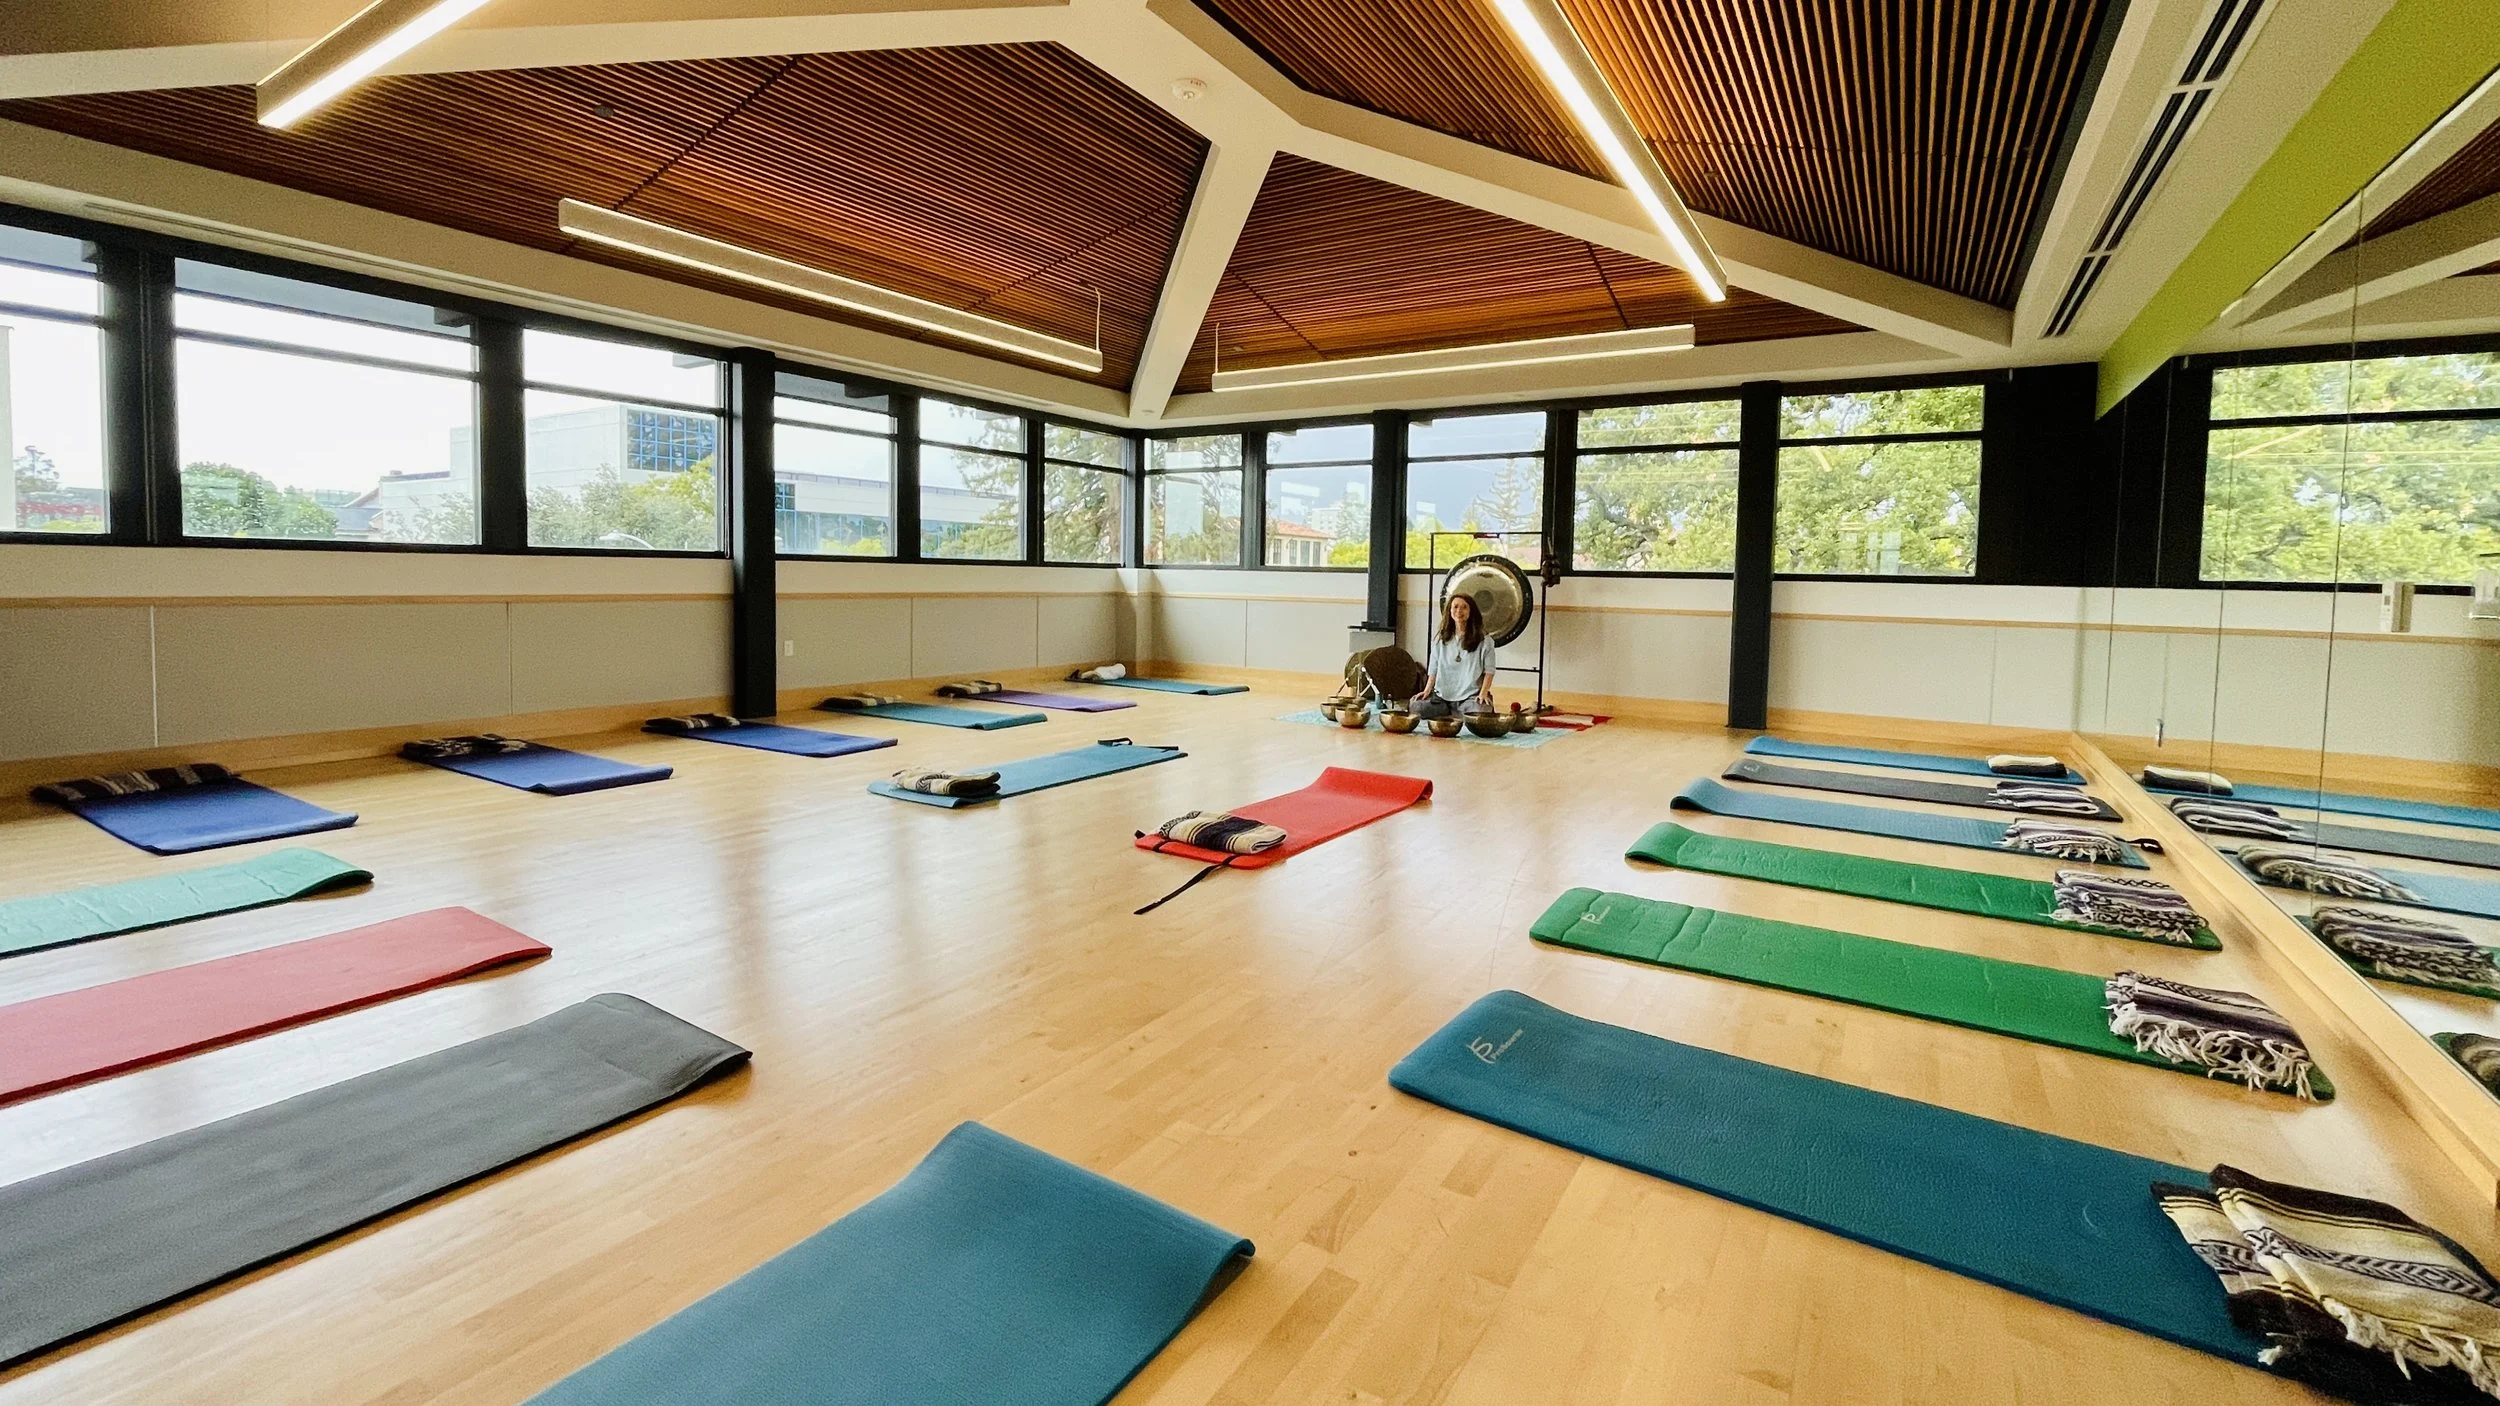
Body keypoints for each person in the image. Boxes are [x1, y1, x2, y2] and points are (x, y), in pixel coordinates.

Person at [1414, 592, 1497, 719]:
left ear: (1471, 611)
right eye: (1456, 607)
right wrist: (1427, 691)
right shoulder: (1440, 639)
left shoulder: (1484, 641)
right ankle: (1452, 712)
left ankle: (1454, 713)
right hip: (1441, 698)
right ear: (1450, 611)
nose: (1459, 611)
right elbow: (1433, 668)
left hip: (1469, 698)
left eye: (1464, 607)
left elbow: (1489, 671)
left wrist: (1483, 693)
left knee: (1482, 710)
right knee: (1416, 706)